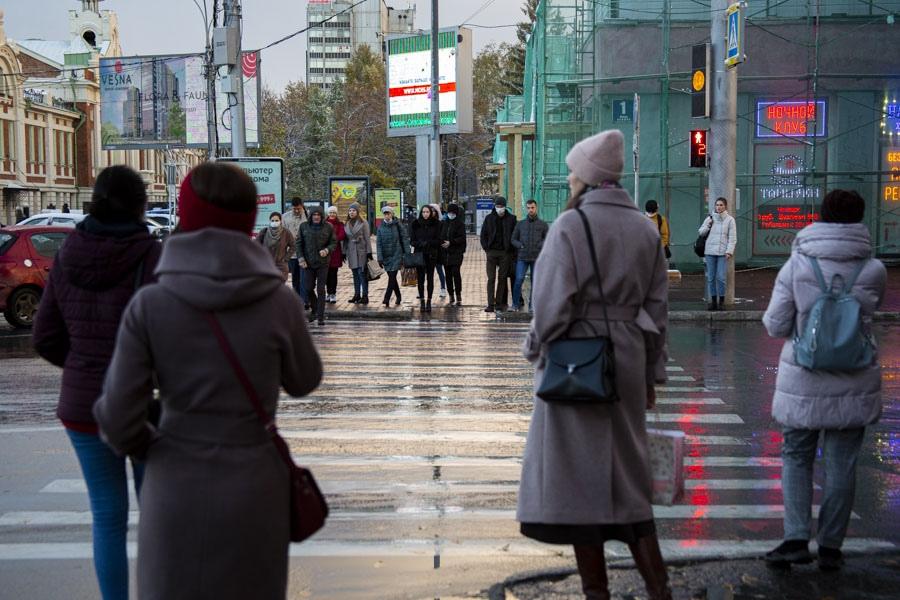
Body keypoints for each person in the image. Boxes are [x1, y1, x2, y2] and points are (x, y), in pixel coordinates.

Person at [91, 161, 322, 600]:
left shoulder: (150, 305)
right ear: (248, 218)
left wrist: (157, 444)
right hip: (255, 485)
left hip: (174, 484)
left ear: (186, 217)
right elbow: (305, 380)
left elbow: (118, 419)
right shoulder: (279, 302)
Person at [518, 130, 671, 600]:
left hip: (577, 362)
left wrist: (535, 347)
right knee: (628, 480)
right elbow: (659, 310)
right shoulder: (645, 229)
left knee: (580, 485)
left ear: (587, 177)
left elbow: (550, 307)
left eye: (573, 170)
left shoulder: (570, 226)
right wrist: (649, 376)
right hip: (625, 358)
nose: (569, 177)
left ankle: (596, 593)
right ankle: (658, 590)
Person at [32, 165, 161, 600]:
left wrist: (83, 368)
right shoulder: (150, 256)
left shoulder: (68, 254)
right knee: (156, 515)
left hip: (84, 407)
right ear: (142, 205)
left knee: (107, 517)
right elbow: (168, 336)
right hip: (142, 404)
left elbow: (45, 336)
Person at [762, 189, 886, 572]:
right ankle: (831, 547)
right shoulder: (874, 269)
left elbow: (776, 323)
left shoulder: (797, 265)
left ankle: (796, 539)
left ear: (821, 217)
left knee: (797, 456)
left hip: (804, 380)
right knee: (842, 464)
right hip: (854, 378)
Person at [299, 207, 337, 325]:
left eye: (318, 215)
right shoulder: (304, 226)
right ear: (311, 216)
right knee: (308, 287)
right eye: (314, 215)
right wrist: (301, 258)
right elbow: (299, 243)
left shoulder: (328, 227)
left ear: (322, 216)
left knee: (321, 290)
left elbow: (334, 242)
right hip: (308, 263)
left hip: (323, 263)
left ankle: (320, 316)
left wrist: (327, 250)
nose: (316, 217)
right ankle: (315, 308)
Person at [698, 197, 737, 311]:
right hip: (709, 251)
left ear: (725, 206)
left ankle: (722, 301)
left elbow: (732, 238)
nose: (719, 207)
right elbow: (701, 232)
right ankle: (713, 301)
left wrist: (729, 251)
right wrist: (708, 225)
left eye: (721, 205)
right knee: (710, 278)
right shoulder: (710, 218)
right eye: (717, 205)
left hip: (722, 253)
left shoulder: (730, 220)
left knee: (720, 277)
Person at [511, 199, 549, 312]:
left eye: (532, 207)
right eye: (528, 208)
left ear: (536, 208)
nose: (530, 210)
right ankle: (515, 304)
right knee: (519, 279)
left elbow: (547, 238)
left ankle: (533, 306)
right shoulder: (520, 224)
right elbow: (513, 239)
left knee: (535, 282)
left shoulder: (543, 224)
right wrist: (520, 245)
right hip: (522, 257)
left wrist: (539, 245)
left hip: (537, 258)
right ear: (526, 209)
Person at [480, 196, 517, 312]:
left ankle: (499, 303)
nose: (499, 208)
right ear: (495, 207)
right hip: (491, 252)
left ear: (505, 207)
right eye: (497, 206)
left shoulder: (511, 219)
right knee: (491, 278)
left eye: (501, 206)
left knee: (502, 278)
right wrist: (486, 249)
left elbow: (515, 235)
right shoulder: (489, 218)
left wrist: (511, 252)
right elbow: (483, 235)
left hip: (505, 253)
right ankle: (490, 304)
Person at [409, 204, 441, 312]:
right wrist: (420, 244)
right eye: (423, 212)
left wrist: (429, 243)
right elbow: (412, 241)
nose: (425, 214)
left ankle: (429, 301)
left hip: (431, 254)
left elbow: (439, 240)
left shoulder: (436, 223)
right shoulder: (415, 224)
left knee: (430, 279)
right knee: (421, 279)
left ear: (431, 213)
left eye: (427, 212)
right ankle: (422, 301)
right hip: (419, 255)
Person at [376, 205, 408, 307]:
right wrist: (380, 258)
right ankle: (398, 296)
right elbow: (379, 244)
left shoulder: (398, 225)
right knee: (392, 278)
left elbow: (404, 239)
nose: (387, 215)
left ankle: (386, 298)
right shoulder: (380, 228)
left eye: (388, 213)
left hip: (396, 254)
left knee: (392, 276)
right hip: (386, 256)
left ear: (392, 214)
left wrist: (407, 254)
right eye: (385, 214)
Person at [344, 203, 372, 304]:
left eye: (353, 211)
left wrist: (369, 252)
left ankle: (365, 296)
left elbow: (367, 238)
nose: (351, 212)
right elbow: (345, 240)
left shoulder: (363, 222)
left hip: (361, 251)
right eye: (350, 210)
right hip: (351, 251)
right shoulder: (347, 223)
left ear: (357, 212)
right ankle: (356, 295)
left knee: (362, 274)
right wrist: (344, 252)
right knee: (355, 273)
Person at [440, 203, 467, 306]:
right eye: (449, 212)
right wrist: (443, 243)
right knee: (448, 275)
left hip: (456, 253)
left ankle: (458, 293)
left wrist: (451, 242)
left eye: (453, 212)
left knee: (456, 273)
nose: (451, 214)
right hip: (445, 253)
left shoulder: (460, 224)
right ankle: (451, 294)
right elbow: (440, 235)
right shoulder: (444, 223)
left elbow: (461, 238)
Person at [282, 198, 308, 304]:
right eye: (294, 209)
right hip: (291, 252)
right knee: (295, 278)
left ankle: (305, 300)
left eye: (298, 208)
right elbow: (282, 234)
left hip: (304, 253)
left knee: (304, 278)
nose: (296, 211)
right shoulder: (285, 217)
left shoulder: (308, 216)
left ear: (302, 206)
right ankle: (296, 300)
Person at [256, 211, 295, 282]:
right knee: (267, 286)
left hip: (281, 265)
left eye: (277, 220)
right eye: (272, 220)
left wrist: (286, 258)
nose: (274, 222)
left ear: (280, 221)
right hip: (266, 264)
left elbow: (293, 246)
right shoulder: (264, 231)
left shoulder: (286, 232)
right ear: (269, 221)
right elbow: (255, 245)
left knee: (279, 287)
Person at [430, 203, 448, 299]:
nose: (431, 212)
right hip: (428, 251)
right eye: (430, 210)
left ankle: (443, 288)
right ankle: (423, 291)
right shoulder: (425, 223)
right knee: (427, 272)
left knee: (439, 270)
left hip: (437, 251)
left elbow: (442, 237)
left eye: (433, 211)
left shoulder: (441, 223)